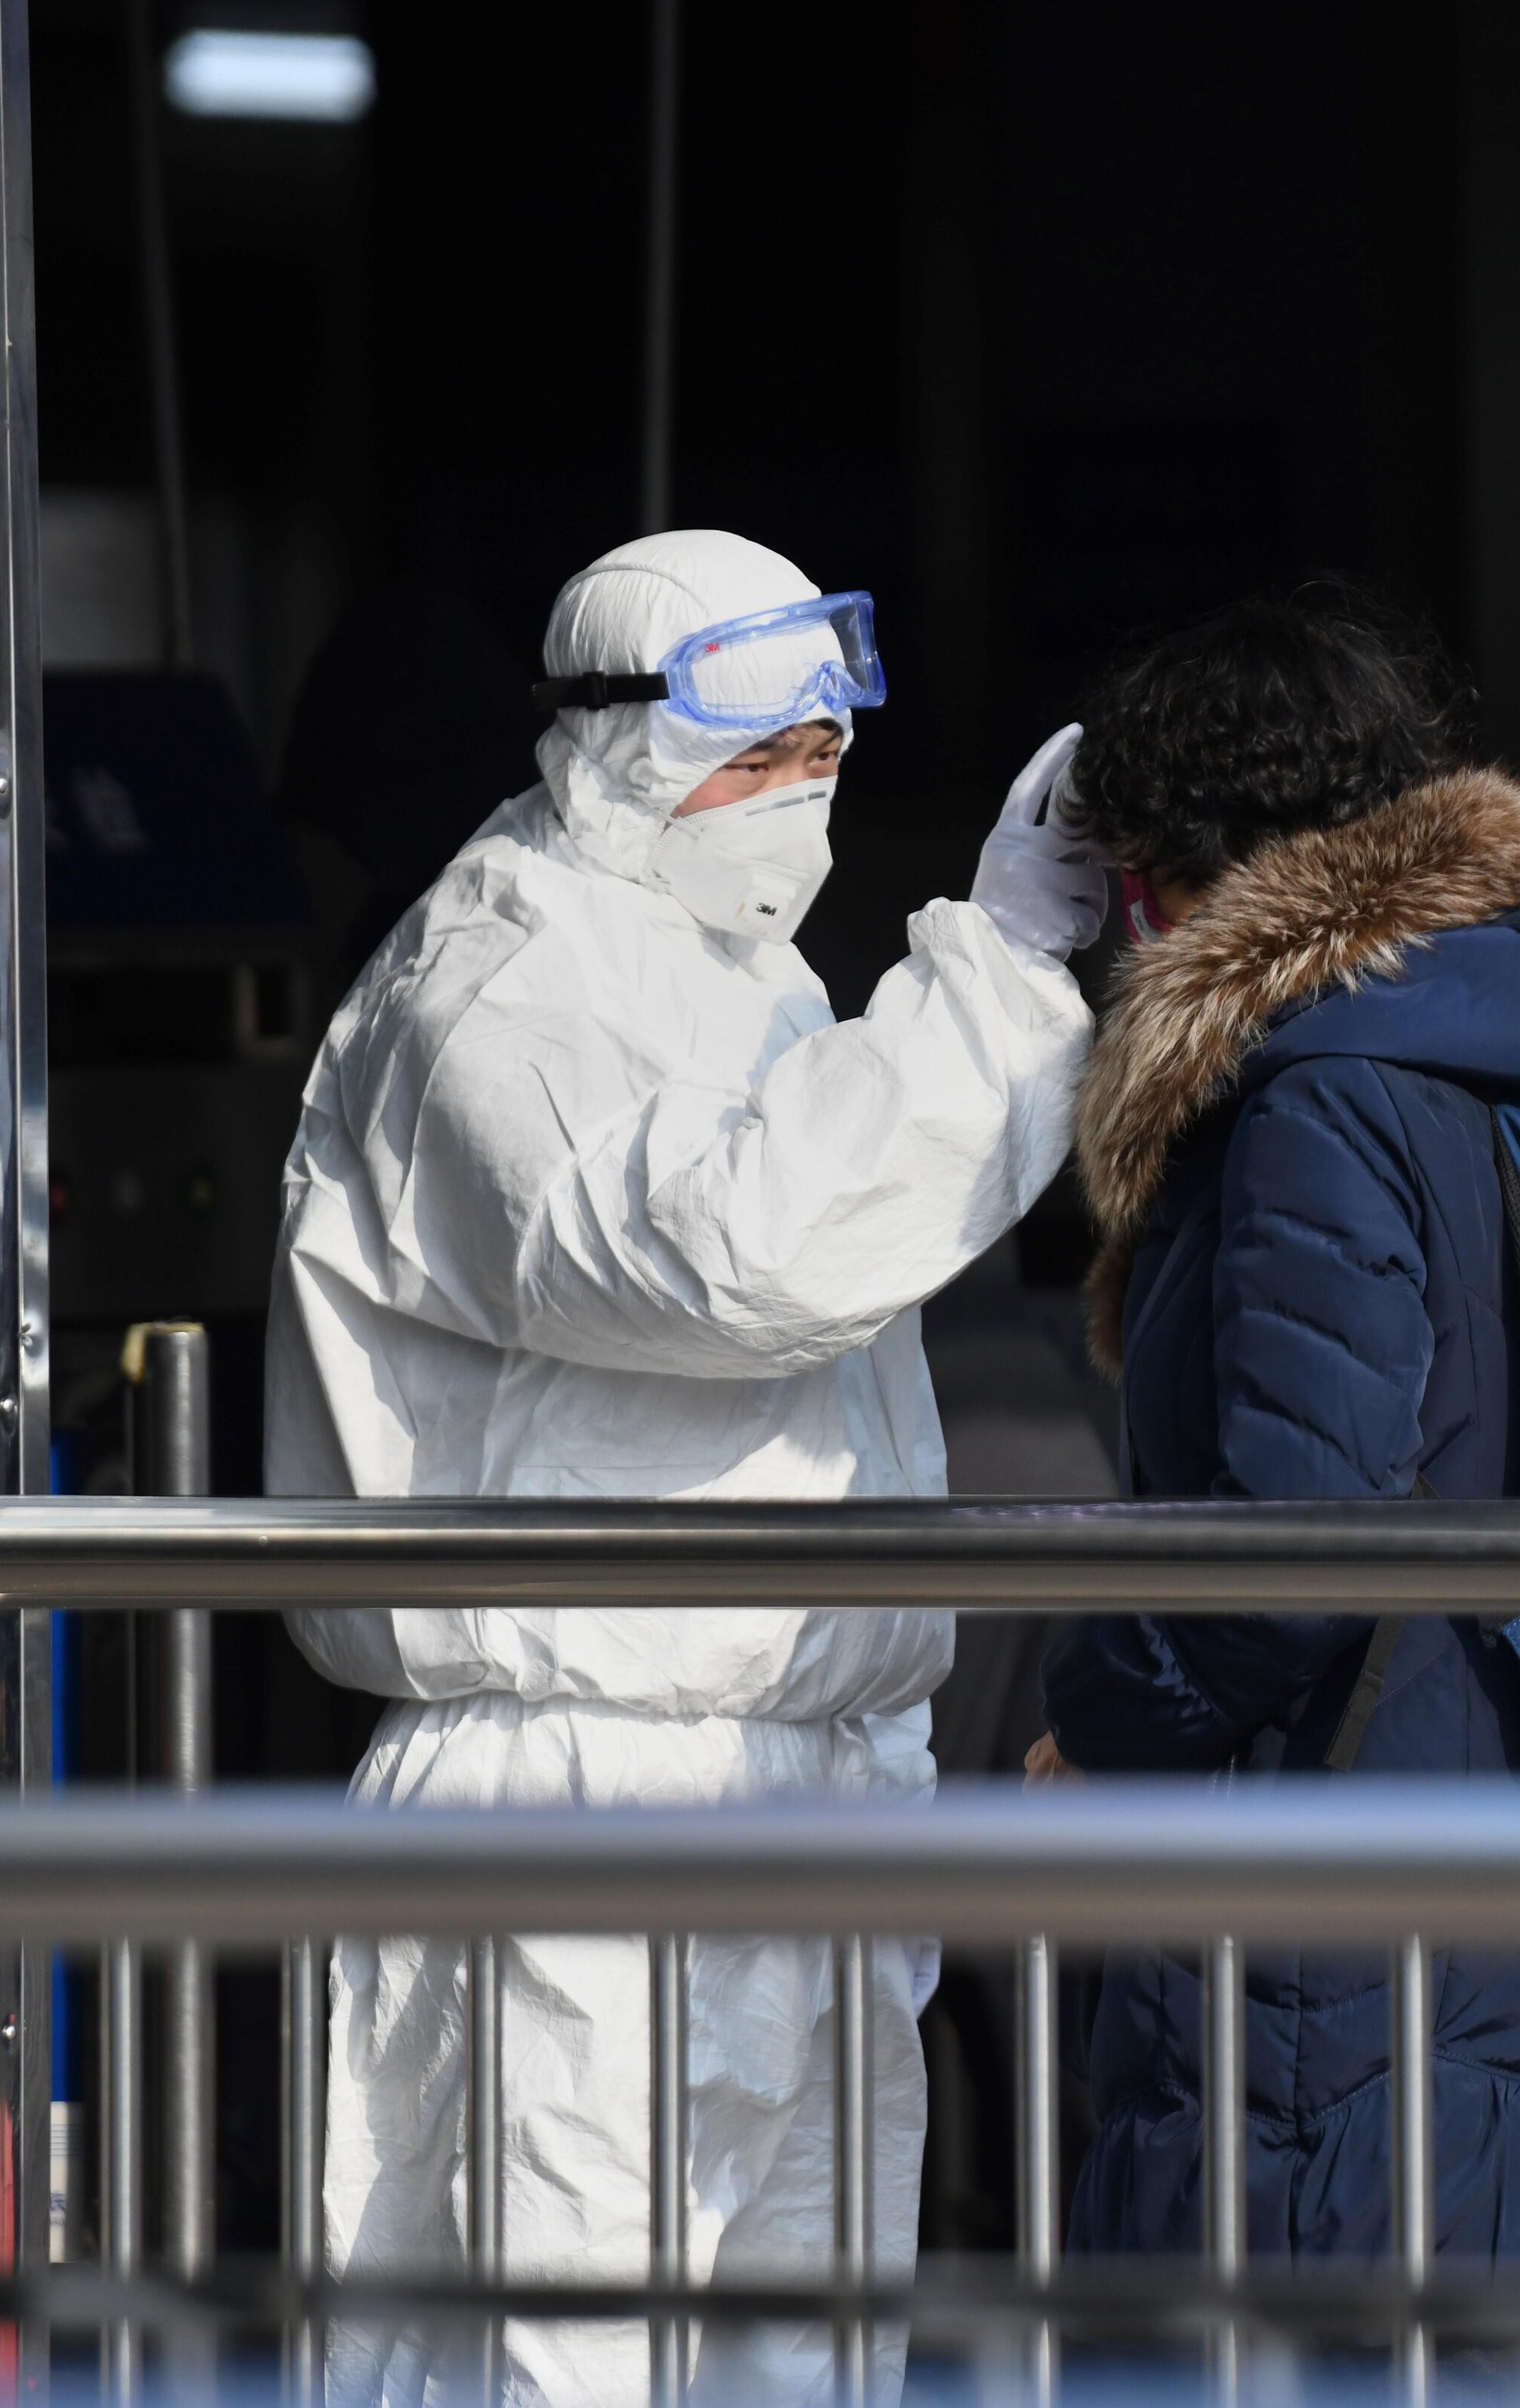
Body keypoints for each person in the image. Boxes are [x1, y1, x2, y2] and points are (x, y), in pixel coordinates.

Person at [270, 528, 1103, 2406]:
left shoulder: (738, 976)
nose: (798, 797)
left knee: (791, 2362)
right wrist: (998, 969)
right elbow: (734, 1255)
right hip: (585, 1796)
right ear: (607, 741)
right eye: (757, 755)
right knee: (564, 2353)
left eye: (823, 755)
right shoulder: (500, 990)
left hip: (790, 1776)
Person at [1030, 587, 1520, 2285]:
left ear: (1176, 875)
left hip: (1343, 1930)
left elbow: (1300, 1530)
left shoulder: (1319, 1097)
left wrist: (1095, 1717)